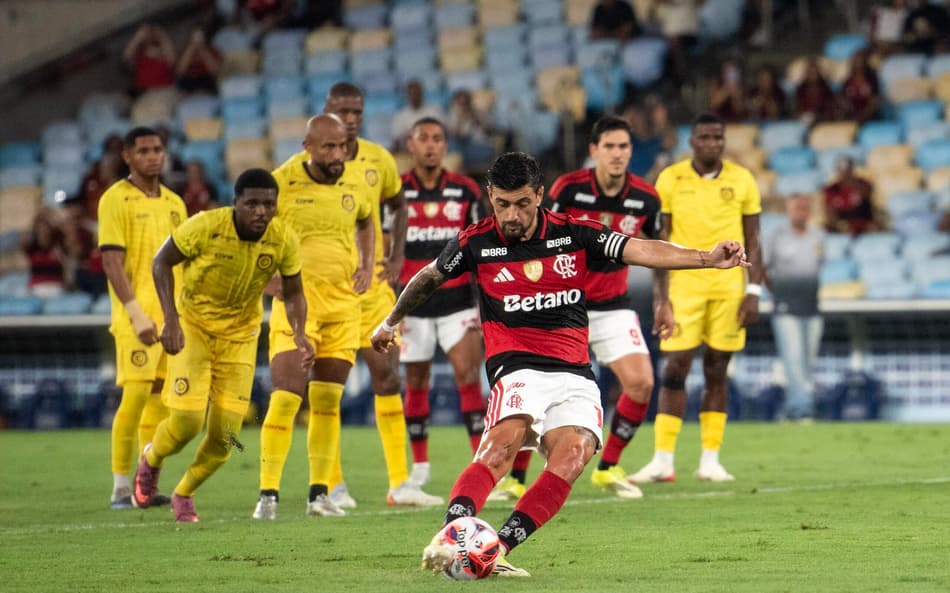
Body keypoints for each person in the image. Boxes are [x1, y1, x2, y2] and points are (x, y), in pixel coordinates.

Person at [370, 151, 749, 576]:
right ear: (491, 196)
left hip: (574, 371)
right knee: (502, 444)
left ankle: (496, 549)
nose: (511, 216)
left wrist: (707, 258)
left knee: (574, 455)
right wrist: (390, 322)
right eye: (502, 204)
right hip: (516, 365)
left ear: (539, 195)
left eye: (522, 204)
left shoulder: (574, 233)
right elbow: (430, 276)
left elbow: (640, 249)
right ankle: (450, 536)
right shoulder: (475, 241)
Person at [490, 116, 662, 502]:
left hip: (613, 305)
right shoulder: (569, 188)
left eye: (624, 146)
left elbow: (656, 248)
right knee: (536, 392)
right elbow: (534, 232)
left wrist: (663, 302)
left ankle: (608, 467)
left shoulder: (646, 197)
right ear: (594, 150)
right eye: (609, 146)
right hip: (563, 305)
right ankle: (516, 478)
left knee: (641, 383)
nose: (617, 154)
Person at [133, 168, 311, 522]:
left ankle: (184, 492)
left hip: (240, 337)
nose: (261, 212)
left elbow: (293, 291)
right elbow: (161, 262)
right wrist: (170, 318)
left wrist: (300, 332)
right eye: (252, 204)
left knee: (227, 436)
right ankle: (151, 458)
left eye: (269, 204)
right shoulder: (206, 225)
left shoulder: (283, 239)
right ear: (235, 203)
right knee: (187, 422)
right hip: (194, 328)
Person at [323, 82, 442, 509]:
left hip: (373, 287)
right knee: (328, 388)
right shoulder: (302, 169)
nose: (350, 118)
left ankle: (399, 484)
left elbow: (398, 205)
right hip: (327, 290)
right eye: (342, 111)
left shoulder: (378, 158)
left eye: (356, 111)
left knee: (388, 377)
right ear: (327, 111)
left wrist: (396, 257)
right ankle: (330, 484)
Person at [252, 114, 375, 519]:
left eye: (342, 145)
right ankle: (267, 494)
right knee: (286, 396)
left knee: (327, 401)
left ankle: (319, 494)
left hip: (343, 308)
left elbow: (366, 220)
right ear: (307, 147)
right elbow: (250, 232)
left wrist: (367, 263)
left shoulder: (354, 180)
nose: (338, 154)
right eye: (329, 147)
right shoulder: (281, 183)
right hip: (297, 309)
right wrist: (267, 280)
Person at [631, 113, 763, 484]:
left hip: (728, 288)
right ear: (692, 141)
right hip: (684, 286)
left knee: (717, 370)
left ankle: (710, 460)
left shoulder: (742, 179)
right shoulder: (670, 178)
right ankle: (662, 460)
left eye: (718, 137)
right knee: (675, 369)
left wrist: (753, 291)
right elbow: (660, 242)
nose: (712, 143)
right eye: (704, 137)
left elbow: (754, 239)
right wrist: (661, 299)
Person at [98, 126, 188, 509]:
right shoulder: (114, 199)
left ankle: (144, 487)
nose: (153, 157)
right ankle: (120, 488)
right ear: (128, 156)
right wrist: (136, 315)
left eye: (158, 150)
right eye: (144, 151)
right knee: (134, 398)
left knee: (160, 403)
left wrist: (177, 316)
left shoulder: (175, 203)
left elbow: (182, 264)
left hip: (169, 318)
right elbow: (111, 263)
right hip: (135, 319)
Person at [398, 117, 489, 488]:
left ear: (446, 146)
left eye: (437, 138)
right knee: (416, 382)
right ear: (411, 145)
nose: (431, 145)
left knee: (468, 377)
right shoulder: (396, 191)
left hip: (458, 302)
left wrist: (486, 300)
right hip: (413, 303)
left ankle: (481, 464)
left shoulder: (466, 191)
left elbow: (482, 246)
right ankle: (420, 466)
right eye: (423, 138)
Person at [764, 194, 824, 422]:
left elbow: (818, 266)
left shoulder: (818, 236)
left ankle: (793, 409)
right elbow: (762, 266)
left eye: (805, 208)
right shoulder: (777, 236)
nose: (802, 212)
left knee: (808, 362)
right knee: (793, 359)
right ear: (789, 210)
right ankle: (803, 410)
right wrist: (776, 292)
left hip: (812, 307)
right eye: (797, 208)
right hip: (785, 308)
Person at [823, 157, 882, 235]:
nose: (845, 174)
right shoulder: (832, 190)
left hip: (864, 224)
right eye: (842, 171)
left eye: (848, 170)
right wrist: (840, 226)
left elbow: (869, 201)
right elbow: (831, 215)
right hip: (844, 226)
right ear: (837, 171)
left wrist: (853, 184)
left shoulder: (863, 184)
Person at [21, 207, 68, 298]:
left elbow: (65, 231)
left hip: (56, 287)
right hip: (36, 288)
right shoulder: (32, 249)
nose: (44, 233)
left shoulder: (58, 247)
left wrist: (51, 217)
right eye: (40, 230)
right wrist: (37, 218)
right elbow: (24, 239)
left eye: (46, 230)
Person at [391, 80, 446, 153]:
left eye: (417, 93)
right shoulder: (400, 115)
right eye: (411, 94)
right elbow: (396, 140)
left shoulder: (434, 111)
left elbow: (443, 134)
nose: (414, 96)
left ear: (422, 93)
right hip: (408, 153)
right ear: (406, 95)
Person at [122, 24, 176, 95]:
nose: (149, 36)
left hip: (164, 90)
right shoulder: (139, 55)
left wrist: (162, 35)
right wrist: (138, 37)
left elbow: (172, 60)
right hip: (143, 92)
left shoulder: (164, 53)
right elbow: (126, 57)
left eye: (152, 33)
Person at [839, 49, 881, 124]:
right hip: (851, 117)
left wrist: (863, 116)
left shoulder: (872, 80)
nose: (859, 63)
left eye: (861, 60)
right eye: (856, 61)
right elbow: (843, 101)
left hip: (870, 118)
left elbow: (875, 102)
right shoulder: (847, 82)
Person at [175, 28, 222, 95]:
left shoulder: (213, 52)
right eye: (194, 37)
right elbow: (179, 71)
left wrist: (203, 50)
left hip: (207, 81)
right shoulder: (184, 52)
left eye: (200, 37)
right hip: (188, 81)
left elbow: (215, 71)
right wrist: (191, 49)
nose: (197, 40)